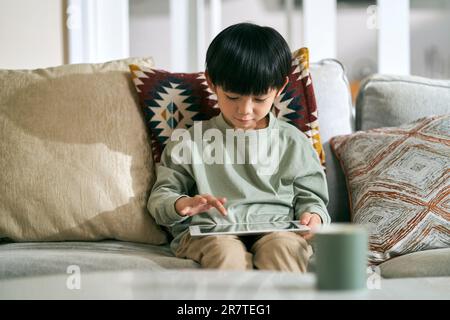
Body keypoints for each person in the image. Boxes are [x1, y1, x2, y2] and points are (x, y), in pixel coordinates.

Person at [148, 22, 329, 272]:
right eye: (233, 97)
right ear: (211, 83)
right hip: (211, 232)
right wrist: (183, 204)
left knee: (283, 249)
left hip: (277, 228)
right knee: (226, 254)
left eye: (259, 99)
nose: (244, 110)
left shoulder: (293, 141)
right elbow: (161, 196)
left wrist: (314, 216)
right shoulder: (189, 141)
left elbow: (312, 197)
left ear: (280, 89)